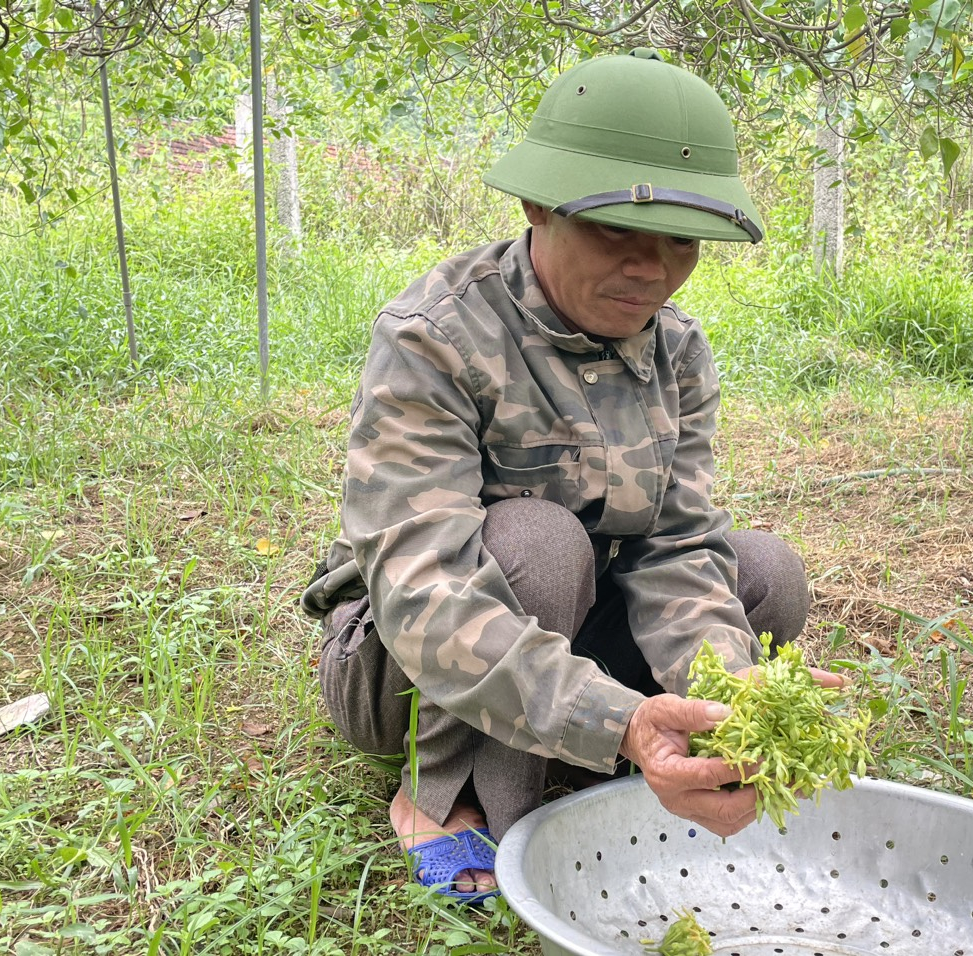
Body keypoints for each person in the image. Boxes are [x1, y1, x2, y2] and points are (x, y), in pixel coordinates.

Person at [301, 48, 830, 904]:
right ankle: (447, 795)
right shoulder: (434, 336)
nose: (652, 269)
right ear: (537, 205)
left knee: (765, 573)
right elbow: (422, 589)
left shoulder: (679, 352)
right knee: (539, 544)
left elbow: (676, 547)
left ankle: (600, 749)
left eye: (679, 241)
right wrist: (619, 719)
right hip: (404, 664)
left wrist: (735, 700)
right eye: (617, 228)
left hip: (568, 625)